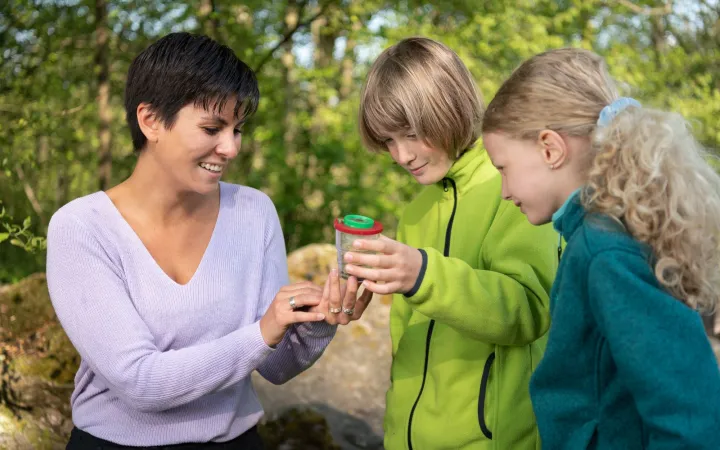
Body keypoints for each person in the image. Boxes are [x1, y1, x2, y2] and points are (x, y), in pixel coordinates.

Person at [46, 32, 370, 449]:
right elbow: (139, 382)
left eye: (237, 129)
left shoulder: (254, 213)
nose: (231, 147)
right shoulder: (81, 227)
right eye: (212, 127)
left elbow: (274, 367)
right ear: (151, 121)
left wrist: (317, 323)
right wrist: (262, 332)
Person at [482, 47, 720, 449]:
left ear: (550, 149)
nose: (504, 192)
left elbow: (689, 415)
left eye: (503, 168)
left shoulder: (605, 252)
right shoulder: (594, 239)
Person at [348, 37, 558, 449]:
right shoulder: (414, 212)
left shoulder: (514, 187)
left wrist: (424, 274)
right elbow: (406, 344)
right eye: (389, 141)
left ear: (451, 107)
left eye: (410, 134)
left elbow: (530, 310)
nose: (402, 155)